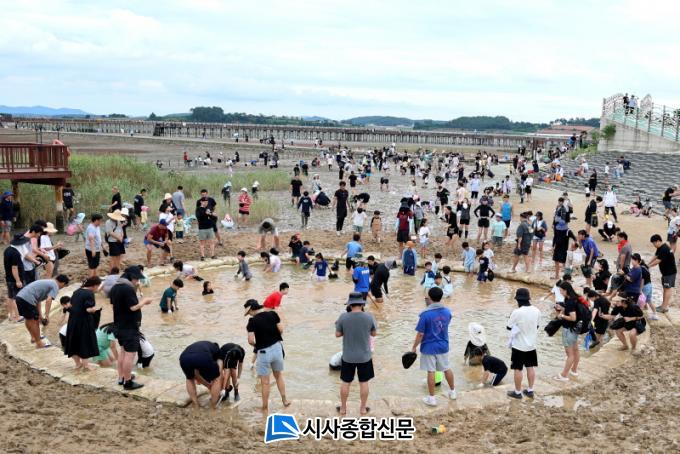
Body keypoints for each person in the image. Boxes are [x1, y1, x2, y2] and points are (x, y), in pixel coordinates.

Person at [411, 287, 456, 406]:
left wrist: (414, 347)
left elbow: (420, 334)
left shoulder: (425, 314)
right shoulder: (447, 312)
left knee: (431, 371)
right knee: (447, 368)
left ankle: (432, 398)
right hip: (443, 345)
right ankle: (453, 392)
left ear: (429, 298)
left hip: (429, 347)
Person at [335, 292, 377, 416]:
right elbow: (374, 333)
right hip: (365, 357)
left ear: (350, 304)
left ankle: (343, 408)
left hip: (348, 357)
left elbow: (337, 334)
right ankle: (363, 409)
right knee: (364, 382)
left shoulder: (343, 317)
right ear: (362, 304)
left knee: (345, 382)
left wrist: (346, 330)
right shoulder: (369, 317)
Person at [245, 299, 291, 413]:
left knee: (265, 382)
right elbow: (281, 329)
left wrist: (258, 345)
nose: (249, 314)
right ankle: (285, 401)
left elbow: (250, 340)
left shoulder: (252, 321)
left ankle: (265, 408)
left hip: (264, 353)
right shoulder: (272, 314)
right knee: (278, 376)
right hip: (277, 348)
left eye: (248, 312)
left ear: (251, 309)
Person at [110, 266, 152, 390]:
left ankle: (121, 377)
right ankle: (128, 382)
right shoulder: (127, 289)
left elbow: (113, 306)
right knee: (130, 354)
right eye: (137, 279)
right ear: (131, 277)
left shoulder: (115, 287)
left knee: (123, 352)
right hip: (129, 327)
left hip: (119, 325)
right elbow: (133, 307)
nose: (138, 282)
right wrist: (145, 301)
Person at [15, 275, 70, 348]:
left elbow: (38, 301)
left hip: (20, 297)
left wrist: (41, 316)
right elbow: (49, 300)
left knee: (28, 319)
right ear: (63, 283)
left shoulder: (49, 282)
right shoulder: (55, 286)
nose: (62, 288)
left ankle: (33, 337)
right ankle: (39, 343)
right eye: (64, 286)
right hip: (28, 299)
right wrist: (47, 316)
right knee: (35, 321)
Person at [506, 288, 541, 399]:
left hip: (519, 346)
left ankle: (517, 392)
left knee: (518, 369)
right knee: (530, 367)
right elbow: (537, 326)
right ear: (528, 299)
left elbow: (509, 327)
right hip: (531, 345)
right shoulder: (537, 310)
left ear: (518, 300)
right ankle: (530, 390)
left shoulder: (517, 312)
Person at [64, 277, 101, 370]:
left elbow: (71, 305)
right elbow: (88, 309)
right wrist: (95, 310)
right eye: (98, 286)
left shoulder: (77, 291)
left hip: (73, 321)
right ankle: (86, 366)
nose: (98, 288)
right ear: (94, 285)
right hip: (83, 322)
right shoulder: (89, 293)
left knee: (73, 342)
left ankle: (78, 364)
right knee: (85, 342)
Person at [179, 341, 226, 409]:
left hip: (184, 357)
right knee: (217, 378)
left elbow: (196, 374)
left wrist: (207, 385)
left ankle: (195, 404)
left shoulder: (205, 345)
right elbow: (219, 372)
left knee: (189, 379)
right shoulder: (218, 352)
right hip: (202, 357)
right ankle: (213, 405)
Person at [553, 282, 581, 382]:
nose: (560, 292)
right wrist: (563, 309)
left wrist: (561, 315)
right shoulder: (575, 298)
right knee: (576, 350)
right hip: (576, 328)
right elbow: (574, 311)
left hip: (569, 329)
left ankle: (564, 375)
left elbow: (573, 318)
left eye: (561, 290)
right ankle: (574, 370)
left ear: (566, 290)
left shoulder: (569, 301)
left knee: (570, 354)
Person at [646, 234, 676, 313]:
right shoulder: (660, 247)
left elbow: (657, 261)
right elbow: (656, 256)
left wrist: (648, 266)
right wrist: (647, 264)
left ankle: (664, 307)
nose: (654, 245)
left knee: (667, 289)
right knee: (665, 289)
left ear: (658, 241)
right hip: (665, 272)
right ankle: (663, 305)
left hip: (669, 272)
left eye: (654, 243)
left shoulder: (664, 249)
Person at [85, 214, 105, 278]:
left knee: (95, 265)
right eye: (100, 221)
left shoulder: (97, 227)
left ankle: (95, 278)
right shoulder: (91, 228)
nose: (101, 222)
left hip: (97, 249)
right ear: (96, 220)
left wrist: (102, 246)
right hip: (91, 249)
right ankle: (91, 279)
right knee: (92, 266)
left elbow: (99, 238)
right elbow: (91, 239)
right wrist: (93, 250)